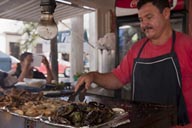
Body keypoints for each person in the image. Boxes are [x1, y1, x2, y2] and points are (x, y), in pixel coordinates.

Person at [75, 0, 192, 126]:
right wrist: (93, 76)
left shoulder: (187, 46)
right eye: (141, 19)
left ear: (166, 13)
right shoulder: (137, 49)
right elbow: (117, 79)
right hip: (142, 124)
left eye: (149, 17)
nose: (144, 24)